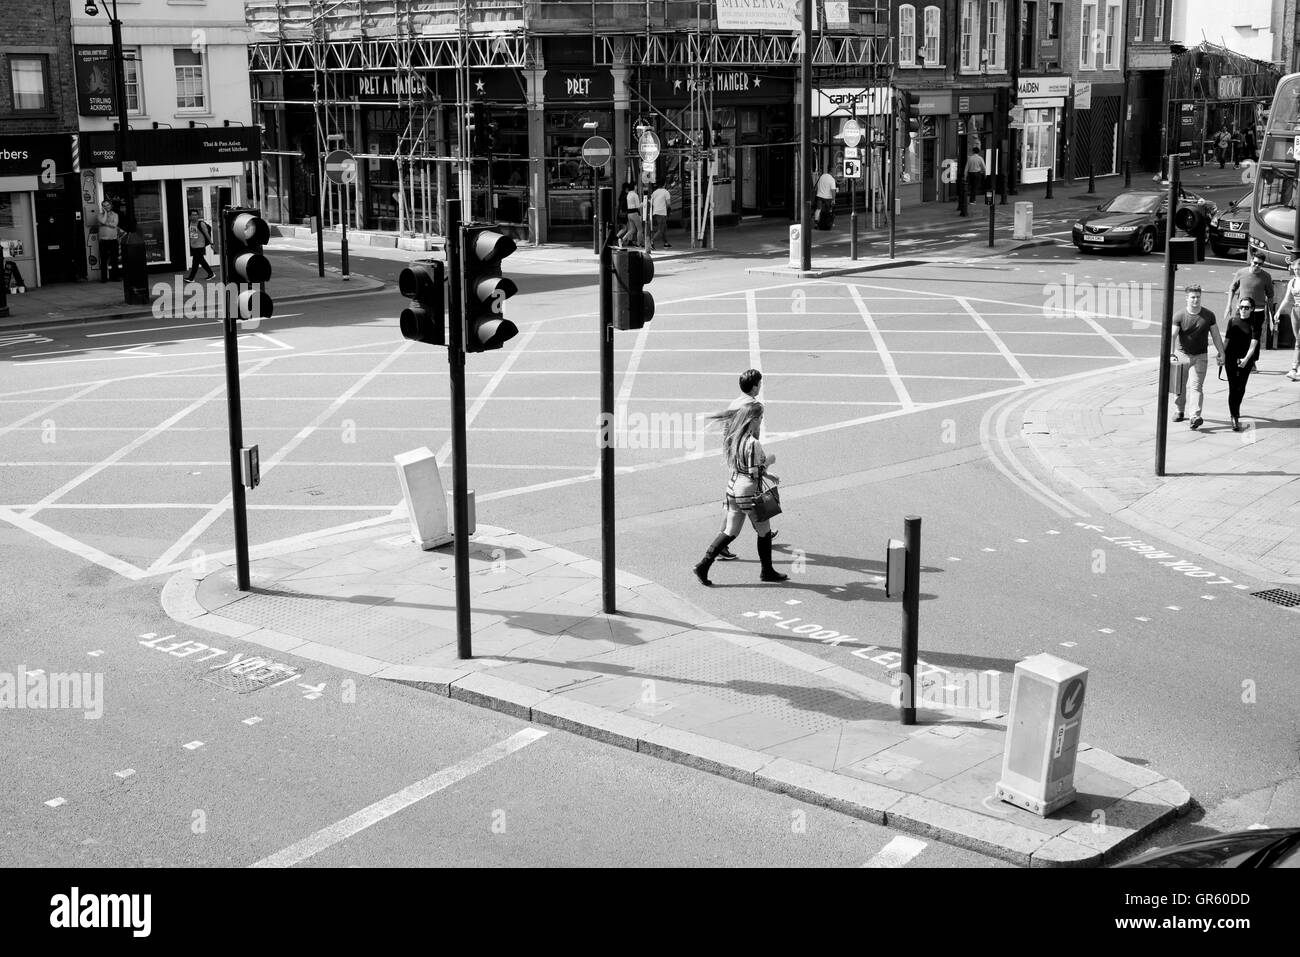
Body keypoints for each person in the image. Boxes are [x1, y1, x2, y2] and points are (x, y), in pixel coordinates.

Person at [693, 400, 787, 585]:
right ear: (751, 420)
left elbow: (743, 467)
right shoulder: (752, 443)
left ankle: (703, 566)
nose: (761, 421)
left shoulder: (734, 438)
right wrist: (770, 461)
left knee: (730, 531)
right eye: (759, 418)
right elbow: (753, 472)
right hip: (748, 491)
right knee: (764, 532)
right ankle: (767, 571)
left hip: (733, 488)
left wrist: (768, 473)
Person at [710, 370, 765, 562]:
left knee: (732, 501)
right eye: (760, 383)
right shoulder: (754, 406)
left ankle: (759, 530)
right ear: (755, 386)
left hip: (734, 452)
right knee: (745, 499)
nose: (761, 386)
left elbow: (727, 428)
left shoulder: (736, 402)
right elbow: (754, 432)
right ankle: (760, 530)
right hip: (745, 455)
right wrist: (754, 452)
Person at [1171, 284, 1225, 431]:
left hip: (1200, 356)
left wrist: (1222, 352)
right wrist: (1171, 354)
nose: (1196, 300)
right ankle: (1179, 410)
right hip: (1181, 355)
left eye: (1198, 297)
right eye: (1193, 297)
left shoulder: (1208, 315)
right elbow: (1172, 336)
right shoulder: (1180, 315)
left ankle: (1195, 416)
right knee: (1179, 387)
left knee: (1197, 386)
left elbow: (1215, 335)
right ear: (1187, 298)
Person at [1223, 296, 1266, 431]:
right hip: (1230, 358)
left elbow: (1253, 345)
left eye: (1246, 308)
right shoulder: (1233, 321)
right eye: (1241, 307)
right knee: (1233, 387)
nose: (1243, 310)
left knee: (1240, 387)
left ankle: (1236, 408)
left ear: (1252, 309)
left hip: (1246, 359)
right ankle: (1234, 416)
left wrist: (1246, 359)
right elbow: (1227, 340)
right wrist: (1221, 355)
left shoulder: (1255, 324)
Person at [1224, 252, 1275, 348]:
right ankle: (1238, 356)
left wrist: (1271, 313)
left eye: (1260, 264)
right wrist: (1228, 306)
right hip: (1242, 309)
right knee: (1237, 333)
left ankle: (1253, 361)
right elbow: (1232, 289)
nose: (1257, 265)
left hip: (1258, 311)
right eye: (1255, 262)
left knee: (1254, 338)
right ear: (1251, 260)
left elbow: (1270, 295)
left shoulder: (1266, 276)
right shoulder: (1241, 272)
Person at [1272, 257, 1300, 380]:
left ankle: (1294, 368)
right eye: (1294, 269)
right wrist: (1278, 312)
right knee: (1297, 340)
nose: (1296, 271)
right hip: (1295, 311)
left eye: (1299, 269)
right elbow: (1286, 299)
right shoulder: (1292, 282)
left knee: (1299, 341)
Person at [184, 209, 215, 282]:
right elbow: (192, 234)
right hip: (194, 246)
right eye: (193, 215)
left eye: (196, 215)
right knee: (201, 261)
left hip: (200, 246)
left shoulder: (201, 224)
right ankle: (211, 273)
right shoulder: (190, 223)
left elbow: (207, 234)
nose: (195, 216)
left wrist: (211, 243)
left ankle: (191, 278)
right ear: (189, 216)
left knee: (195, 263)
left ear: (198, 216)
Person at [98, 200, 120, 282]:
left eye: (107, 205)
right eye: (104, 205)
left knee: (114, 260)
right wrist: (105, 214)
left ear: (110, 205)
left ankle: (115, 277)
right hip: (103, 241)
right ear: (102, 207)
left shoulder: (115, 215)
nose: (106, 207)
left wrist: (105, 224)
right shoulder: (99, 215)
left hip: (113, 240)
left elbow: (114, 225)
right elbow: (103, 221)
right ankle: (104, 278)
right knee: (103, 260)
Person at [617, 183, 644, 248]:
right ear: (634, 187)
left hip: (629, 214)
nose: (636, 187)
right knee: (640, 230)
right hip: (634, 213)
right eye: (636, 186)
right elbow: (637, 206)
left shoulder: (628, 194)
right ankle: (638, 244)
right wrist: (643, 203)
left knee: (632, 230)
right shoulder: (635, 195)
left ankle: (622, 240)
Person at [649, 182, 672, 249]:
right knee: (660, 229)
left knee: (664, 228)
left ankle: (666, 243)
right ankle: (651, 241)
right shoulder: (666, 192)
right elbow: (668, 204)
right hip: (662, 212)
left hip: (656, 212)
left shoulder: (654, 192)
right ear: (664, 184)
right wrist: (668, 209)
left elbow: (651, 203)